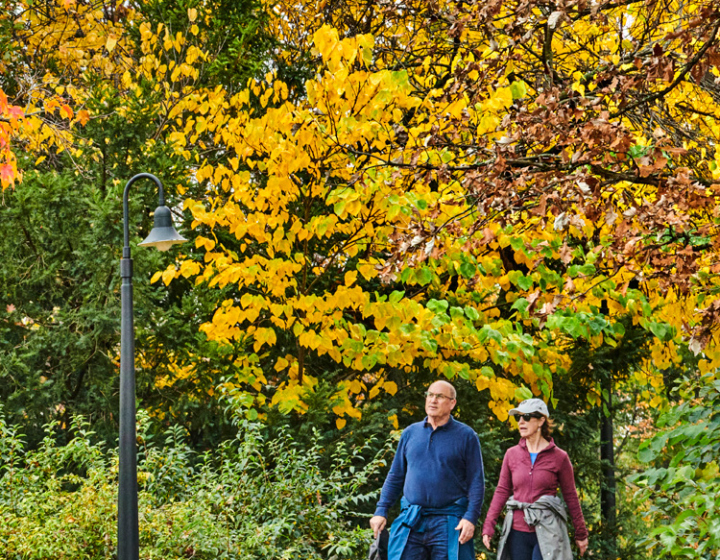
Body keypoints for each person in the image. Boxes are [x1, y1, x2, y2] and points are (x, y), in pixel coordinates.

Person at [370, 380, 485, 560]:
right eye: (430, 395)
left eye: (440, 396)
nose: (433, 400)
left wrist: (470, 518)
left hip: (449, 522)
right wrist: (381, 510)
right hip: (412, 520)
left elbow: (476, 482)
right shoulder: (410, 433)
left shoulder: (466, 436)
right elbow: (395, 476)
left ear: (452, 403)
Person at [481, 399, 589, 560]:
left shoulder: (559, 457)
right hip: (517, 532)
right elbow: (502, 490)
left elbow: (571, 496)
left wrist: (581, 534)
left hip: (547, 531)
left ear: (541, 420)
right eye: (518, 418)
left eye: (527, 417)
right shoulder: (512, 454)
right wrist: (488, 526)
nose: (521, 422)